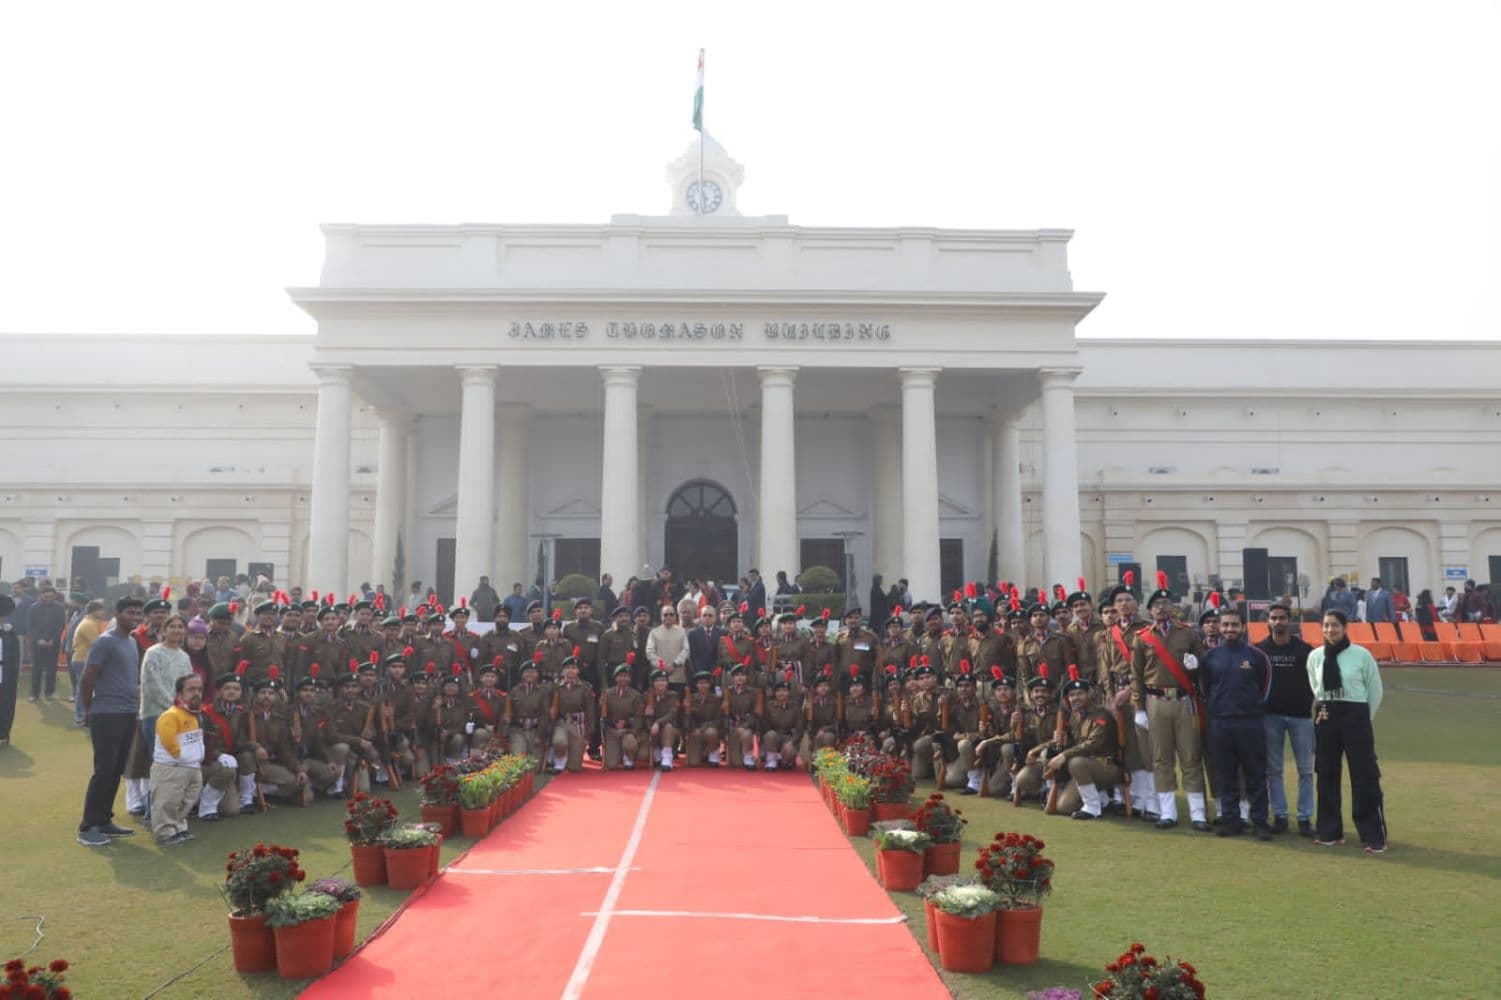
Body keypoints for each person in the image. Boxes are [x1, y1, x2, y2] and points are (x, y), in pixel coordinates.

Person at [1131, 573, 1210, 831]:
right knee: (1160, 758)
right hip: (1155, 701)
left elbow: (1204, 671)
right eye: (1156, 605)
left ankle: (1198, 813)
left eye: (1166, 604)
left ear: (1173, 608)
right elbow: (1137, 676)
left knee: (1190, 756)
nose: (1161, 608)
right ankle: (1168, 813)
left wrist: (1196, 666)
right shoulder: (1142, 638)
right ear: (1150, 610)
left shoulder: (1188, 634)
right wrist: (1139, 708)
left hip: (1183, 700)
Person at [1307, 610, 1387, 854]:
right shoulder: (1315, 656)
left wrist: (1363, 718)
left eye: (1335, 626)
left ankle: (1372, 835)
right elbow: (1315, 686)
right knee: (1326, 773)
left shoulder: (1361, 655)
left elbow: (1375, 690)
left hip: (1356, 716)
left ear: (1345, 627)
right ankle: (1329, 832)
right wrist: (1326, 705)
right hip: (1326, 715)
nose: (1330, 630)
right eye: (1326, 626)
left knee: (1364, 775)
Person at [78, 597, 146, 846]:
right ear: (118, 614)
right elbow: (88, 678)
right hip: (106, 713)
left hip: (128, 713)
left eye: (139, 613)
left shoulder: (130, 641)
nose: (136, 617)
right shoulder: (105, 641)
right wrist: (87, 710)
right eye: (131, 612)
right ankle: (88, 827)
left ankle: (104, 820)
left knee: (116, 769)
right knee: (104, 770)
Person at [1202, 608, 1273, 840]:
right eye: (1225, 625)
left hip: (1250, 723)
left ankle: (1260, 821)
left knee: (1255, 774)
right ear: (1220, 628)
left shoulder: (1256, 656)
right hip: (1221, 723)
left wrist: (1250, 708)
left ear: (1243, 627)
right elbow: (1205, 689)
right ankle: (1231, 820)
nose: (1229, 629)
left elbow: (1265, 687)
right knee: (1226, 774)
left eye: (1234, 625)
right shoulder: (1210, 657)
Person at [150, 673, 205, 845]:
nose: (196, 693)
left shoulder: (194, 714)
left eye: (199, 689)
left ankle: (178, 827)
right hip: (172, 767)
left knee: (186, 801)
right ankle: (165, 832)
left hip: (191, 767)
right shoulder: (171, 715)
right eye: (191, 689)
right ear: (180, 694)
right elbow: (169, 743)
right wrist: (182, 759)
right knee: (167, 801)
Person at [27, 586, 68, 702]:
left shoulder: (59, 608)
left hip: (53, 643)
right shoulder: (34, 608)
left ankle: (49, 692)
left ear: (54, 596)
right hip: (37, 643)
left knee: (52, 669)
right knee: (36, 669)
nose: (48, 598)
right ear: (41, 596)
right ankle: (34, 694)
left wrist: (53, 640)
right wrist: (38, 639)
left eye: (50, 596)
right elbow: (30, 626)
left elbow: (61, 625)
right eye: (45, 596)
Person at [646, 606, 689, 689]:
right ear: (661, 616)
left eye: (671, 614)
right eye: (665, 615)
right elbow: (649, 652)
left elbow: (686, 650)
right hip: (659, 676)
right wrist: (662, 666)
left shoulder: (682, 631)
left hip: (677, 676)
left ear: (675, 616)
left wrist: (674, 664)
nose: (668, 617)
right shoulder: (654, 632)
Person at [0, 594, 19, 745]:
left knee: (5, 703)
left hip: (5, 675)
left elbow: (14, 658)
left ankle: (3, 732)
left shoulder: (9, 634)